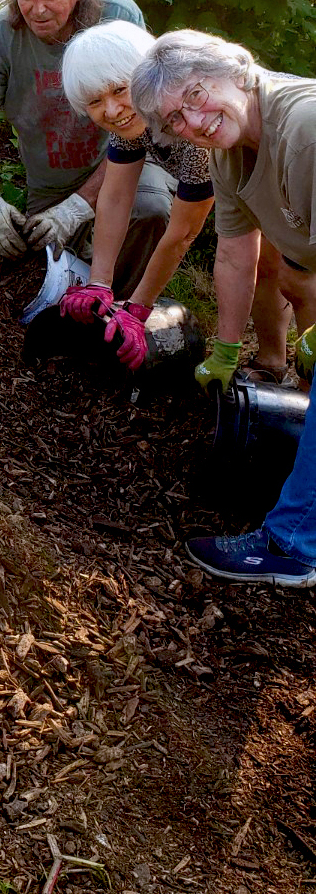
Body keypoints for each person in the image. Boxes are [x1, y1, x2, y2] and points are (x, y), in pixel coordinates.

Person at [130, 29, 316, 586]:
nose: (193, 119)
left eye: (195, 93)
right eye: (175, 119)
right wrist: (228, 351)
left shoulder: (304, 127)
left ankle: (293, 544)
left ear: (237, 69)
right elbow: (236, 253)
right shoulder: (230, 153)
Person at [58, 20, 298, 375]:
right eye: (95, 101)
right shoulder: (132, 122)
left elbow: (184, 231)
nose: (111, 110)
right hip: (252, 167)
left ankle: (280, 365)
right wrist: (99, 283)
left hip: (287, 152)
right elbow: (115, 196)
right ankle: (274, 364)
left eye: (121, 90)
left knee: (282, 267)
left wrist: (138, 308)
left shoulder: (192, 127)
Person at [0, 0, 172, 297]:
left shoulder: (118, 16)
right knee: (40, 263)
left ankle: (118, 310)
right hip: (52, 180)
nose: (37, 9)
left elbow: (144, 116)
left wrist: (81, 207)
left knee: (148, 207)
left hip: (130, 157)